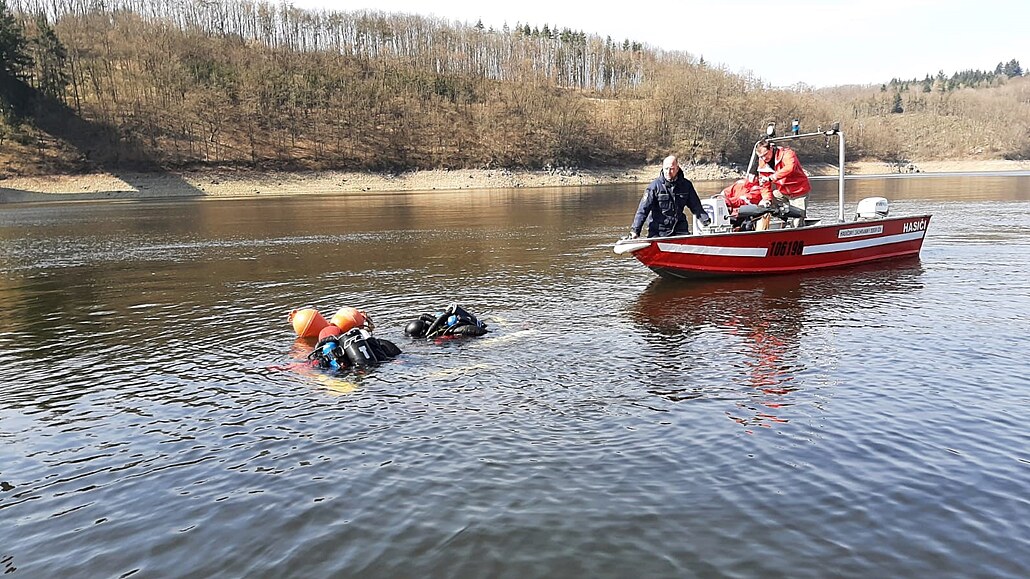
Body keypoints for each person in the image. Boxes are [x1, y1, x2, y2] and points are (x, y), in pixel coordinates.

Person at [628, 155, 711, 238]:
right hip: (659, 232)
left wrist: (706, 222)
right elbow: (643, 210)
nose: (668, 172)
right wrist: (635, 231)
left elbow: (696, 207)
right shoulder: (654, 187)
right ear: (662, 168)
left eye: (671, 169)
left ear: (677, 168)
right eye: (666, 169)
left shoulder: (686, 185)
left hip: (680, 229)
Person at [755, 139, 811, 226]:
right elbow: (764, 184)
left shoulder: (787, 153)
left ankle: (798, 232)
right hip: (782, 192)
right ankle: (760, 231)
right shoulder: (762, 162)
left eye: (765, 154)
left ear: (771, 148)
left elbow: (790, 168)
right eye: (761, 156)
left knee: (797, 221)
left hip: (799, 192)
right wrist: (767, 199)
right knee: (762, 206)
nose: (764, 158)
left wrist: (772, 177)